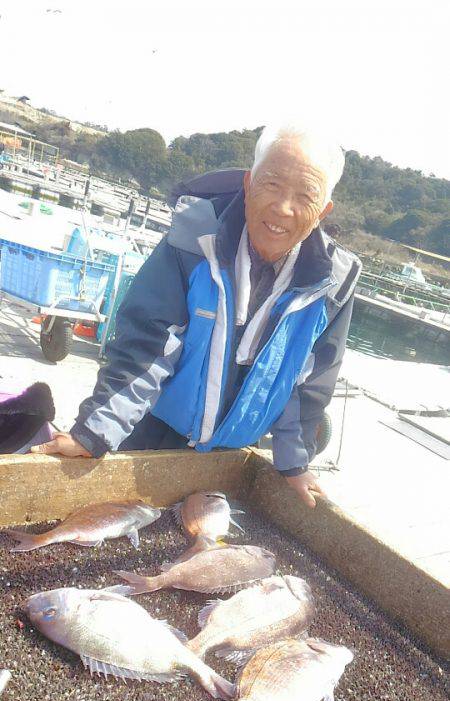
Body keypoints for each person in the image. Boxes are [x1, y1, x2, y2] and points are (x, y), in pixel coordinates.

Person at [32, 122, 361, 508]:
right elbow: (147, 343)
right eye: (271, 183)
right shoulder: (192, 240)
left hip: (232, 457)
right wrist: (94, 434)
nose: (283, 208)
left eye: (305, 195)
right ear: (248, 182)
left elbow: (307, 383)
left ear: (323, 210)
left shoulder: (334, 283)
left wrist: (294, 463)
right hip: (152, 430)